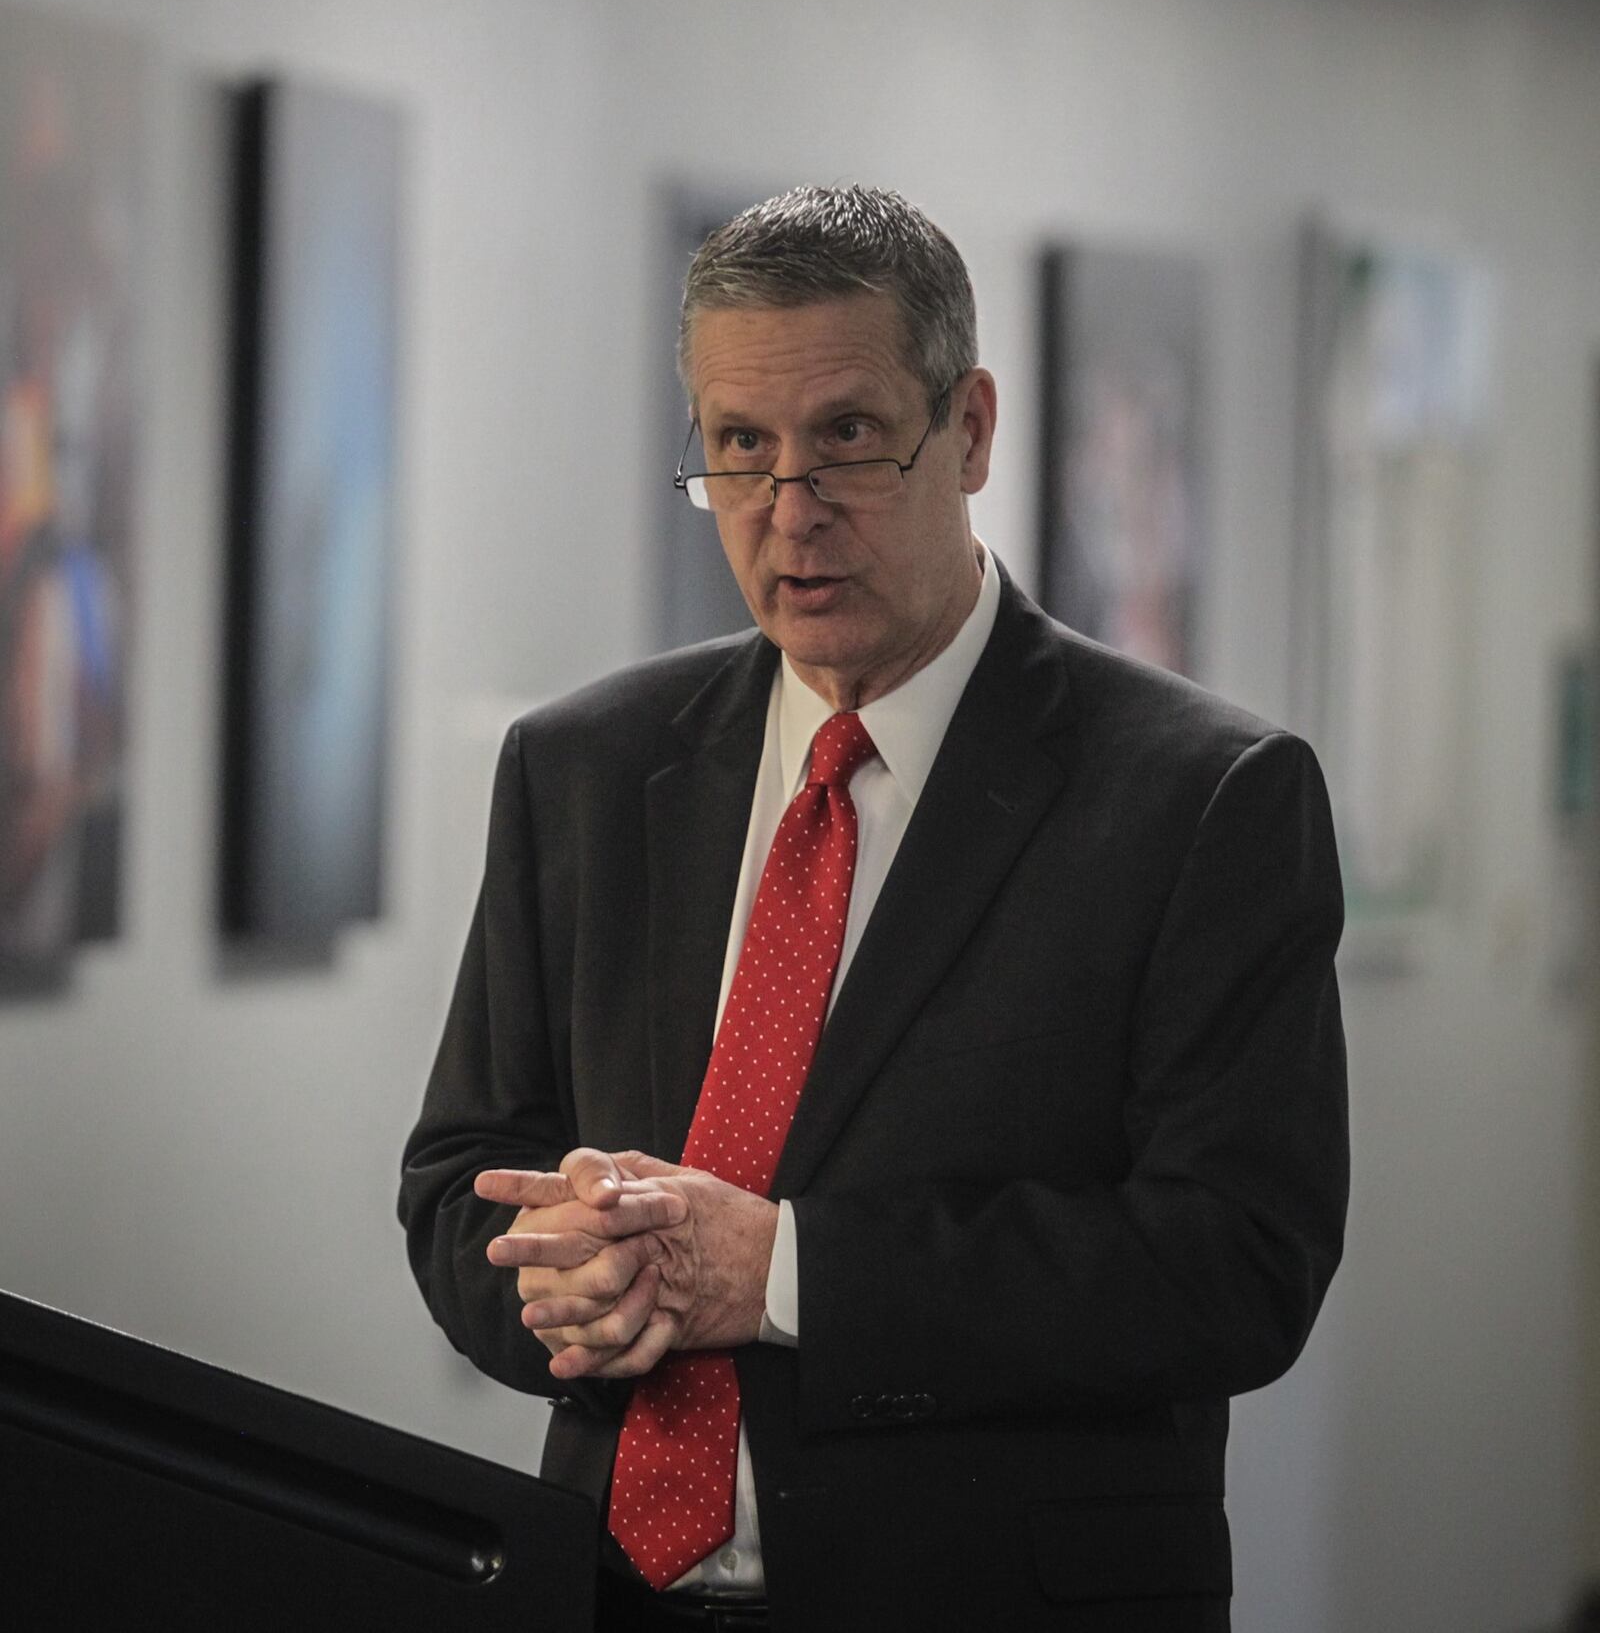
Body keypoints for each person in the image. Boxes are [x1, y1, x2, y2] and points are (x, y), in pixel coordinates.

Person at [399, 186, 1348, 1632]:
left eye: (846, 437)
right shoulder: (583, 768)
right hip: (609, 1591)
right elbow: (463, 1170)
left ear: (967, 430)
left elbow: (1235, 1264)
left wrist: (784, 1273)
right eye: (740, 449)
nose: (790, 513)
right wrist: (559, 1283)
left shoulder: (1202, 801)